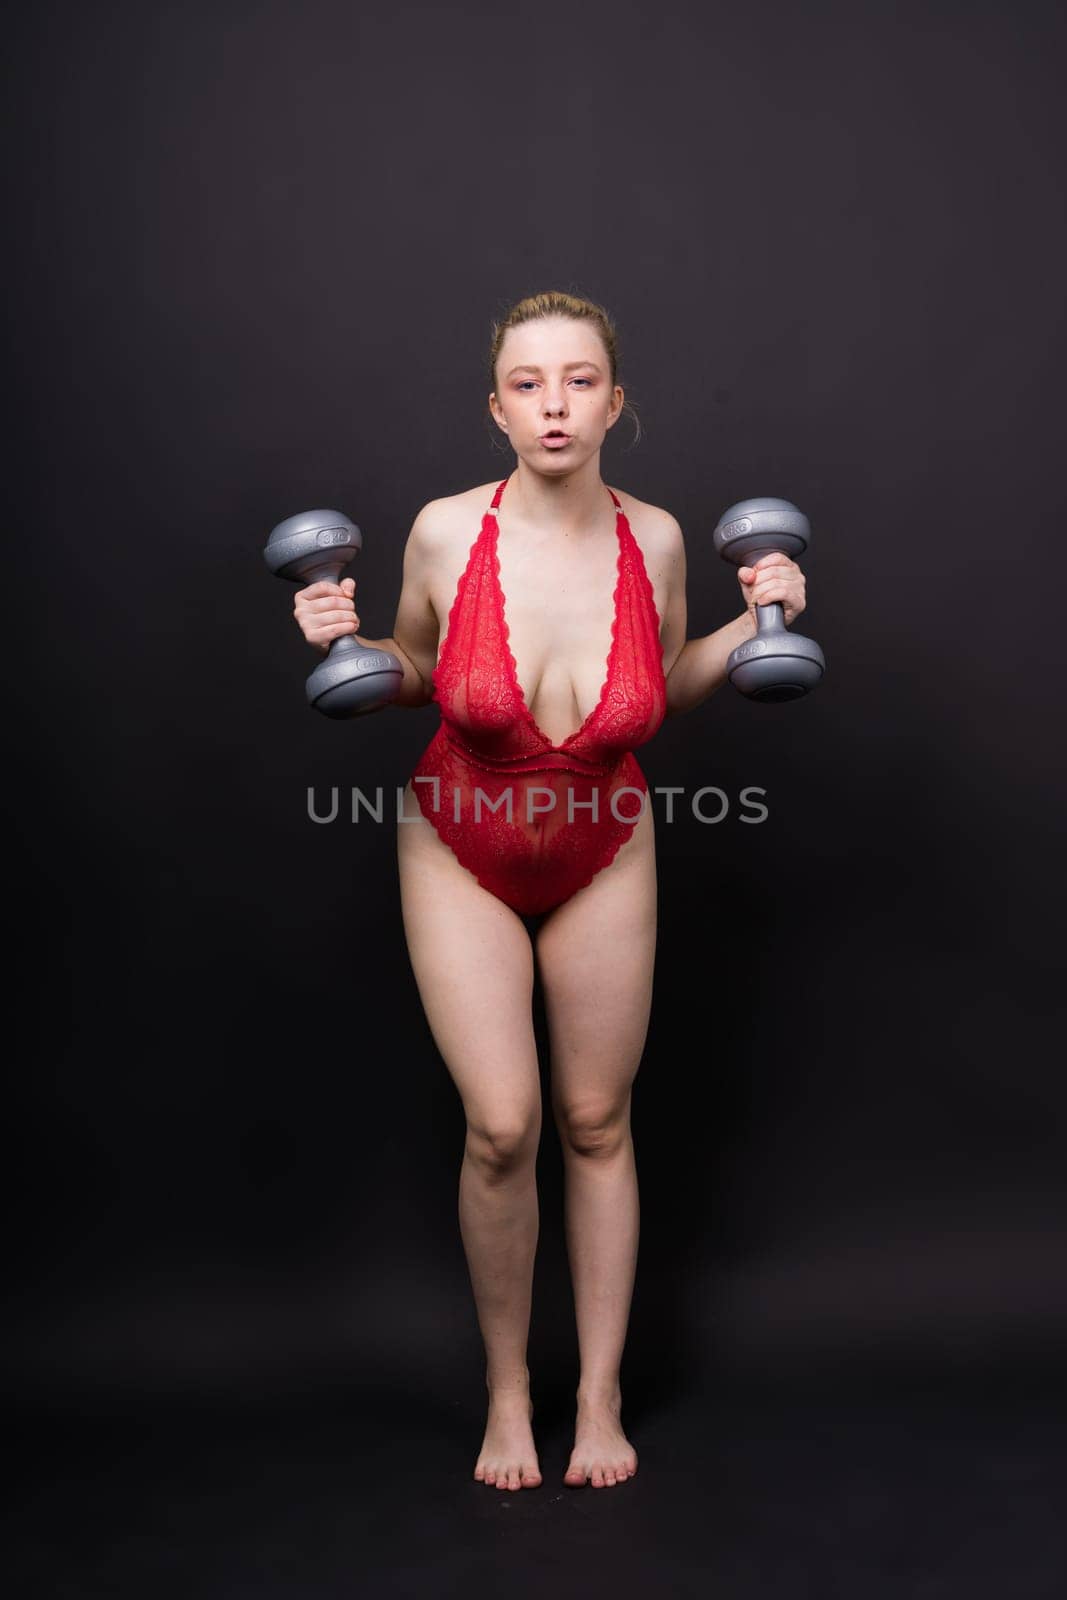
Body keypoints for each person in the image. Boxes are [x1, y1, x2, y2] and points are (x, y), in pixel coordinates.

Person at [293, 290, 808, 1491]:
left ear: (614, 402)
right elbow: (416, 670)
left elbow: (664, 684)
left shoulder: (665, 537)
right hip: (457, 836)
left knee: (593, 1121)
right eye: (528, 383)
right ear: (496, 408)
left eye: (579, 380)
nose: (555, 404)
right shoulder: (438, 532)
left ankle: (598, 1395)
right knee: (503, 1126)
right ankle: (508, 1393)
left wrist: (756, 624)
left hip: (604, 842)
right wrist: (345, 637)